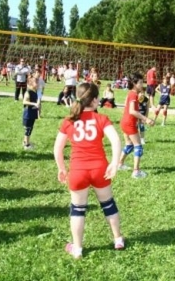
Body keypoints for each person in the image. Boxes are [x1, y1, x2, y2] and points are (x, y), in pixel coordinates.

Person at [53, 83, 124, 259]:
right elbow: (116, 140)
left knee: (77, 209)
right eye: (98, 97)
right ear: (93, 100)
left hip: (77, 171)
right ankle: (118, 239)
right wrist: (114, 162)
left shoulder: (69, 121)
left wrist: (61, 168)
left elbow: (57, 149)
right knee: (108, 204)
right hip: (100, 169)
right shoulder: (101, 119)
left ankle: (77, 249)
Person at [117, 72, 155, 179]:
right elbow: (132, 111)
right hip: (129, 123)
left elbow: (129, 109)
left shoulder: (132, 93)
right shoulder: (133, 94)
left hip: (125, 122)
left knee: (129, 145)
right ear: (134, 83)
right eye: (140, 83)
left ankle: (120, 164)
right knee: (138, 146)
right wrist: (145, 119)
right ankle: (136, 172)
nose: (142, 85)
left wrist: (139, 121)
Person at [22, 77, 40, 150]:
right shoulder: (28, 92)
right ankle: (27, 145)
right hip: (28, 114)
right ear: (31, 84)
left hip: (32, 113)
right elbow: (24, 102)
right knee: (28, 129)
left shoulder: (35, 92)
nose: (38, 84)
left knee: (30, 129)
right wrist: (34, 104)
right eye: (36, 82)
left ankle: (25, 141)